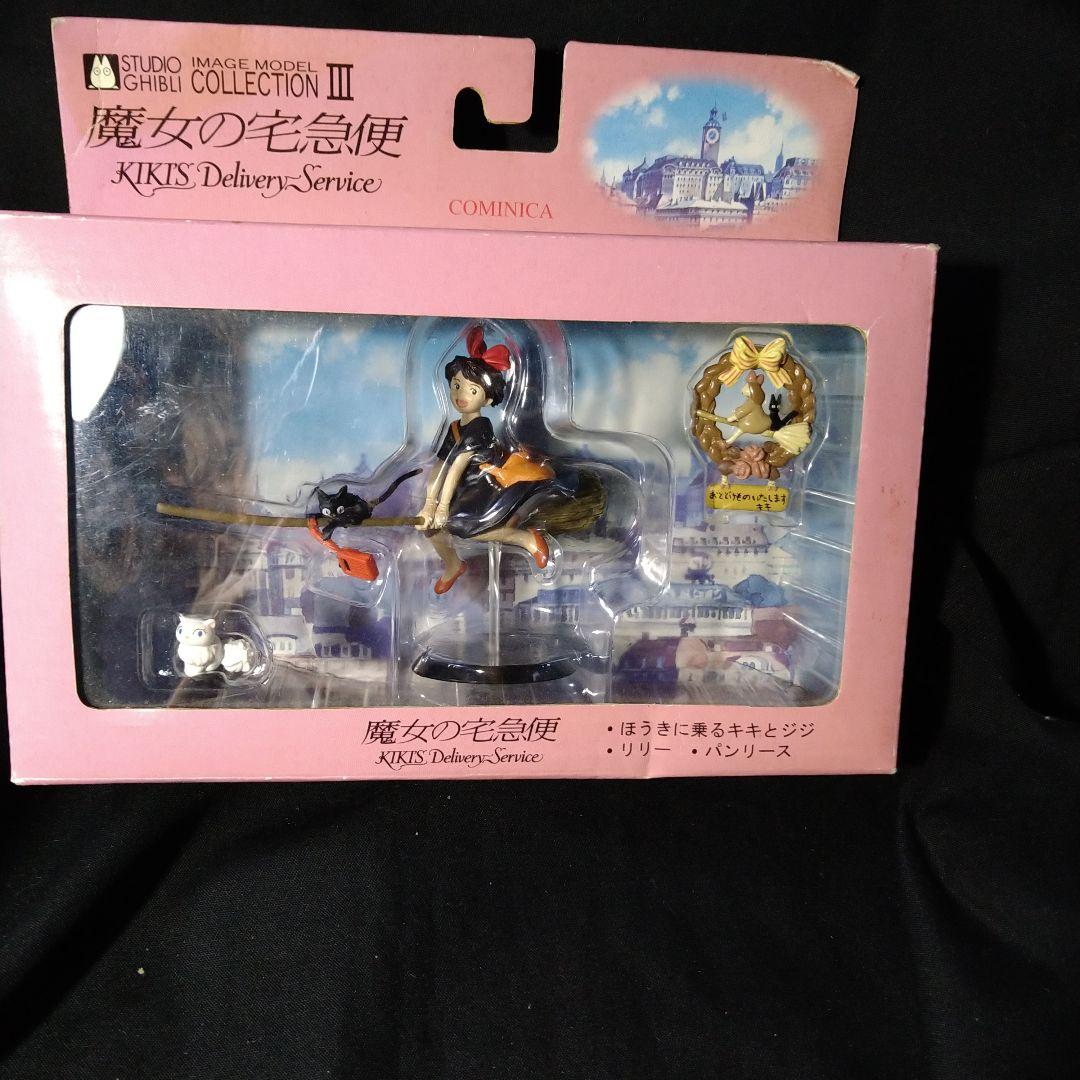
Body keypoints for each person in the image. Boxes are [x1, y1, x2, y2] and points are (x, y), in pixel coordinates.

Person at [415, 326, 576, 594]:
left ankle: (524, 538)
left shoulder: (480, 427)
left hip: (487, 486)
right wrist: (428, 505)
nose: (461, 395)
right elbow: (441, 467)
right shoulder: (454, 428)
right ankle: (453, 564)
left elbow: (458, 466)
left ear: (487, 398)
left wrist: (441, 508)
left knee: (459, 524)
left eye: (472, 390)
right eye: (457, 385)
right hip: (463, 489)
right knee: (429, 528)